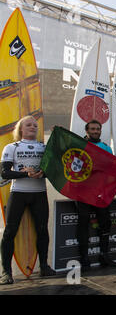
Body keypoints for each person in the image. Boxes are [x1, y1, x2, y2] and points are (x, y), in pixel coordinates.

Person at [0, 116, 56, 285]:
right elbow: (5, 173)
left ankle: (44, 266)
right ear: (21, 129)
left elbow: (54, 170)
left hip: (39, 193)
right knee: (10, 231)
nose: (32, 127)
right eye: (28, 125)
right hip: (18, 193)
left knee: (42, 230)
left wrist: (43, 173)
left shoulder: (45, 147)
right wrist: (26, 174)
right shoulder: (11, 147)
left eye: (35, 125)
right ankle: (6, 272)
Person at [76, 120, 116, 271]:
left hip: (100, 192)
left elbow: (111, 170)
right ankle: (84, 258)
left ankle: (104, 255)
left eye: (97, 129)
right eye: (92, 129)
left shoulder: (106, 148)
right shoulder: (79, 146)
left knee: (105, 222)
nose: (95, 131)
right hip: (83, 191)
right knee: (84, 222)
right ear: (86, 131)